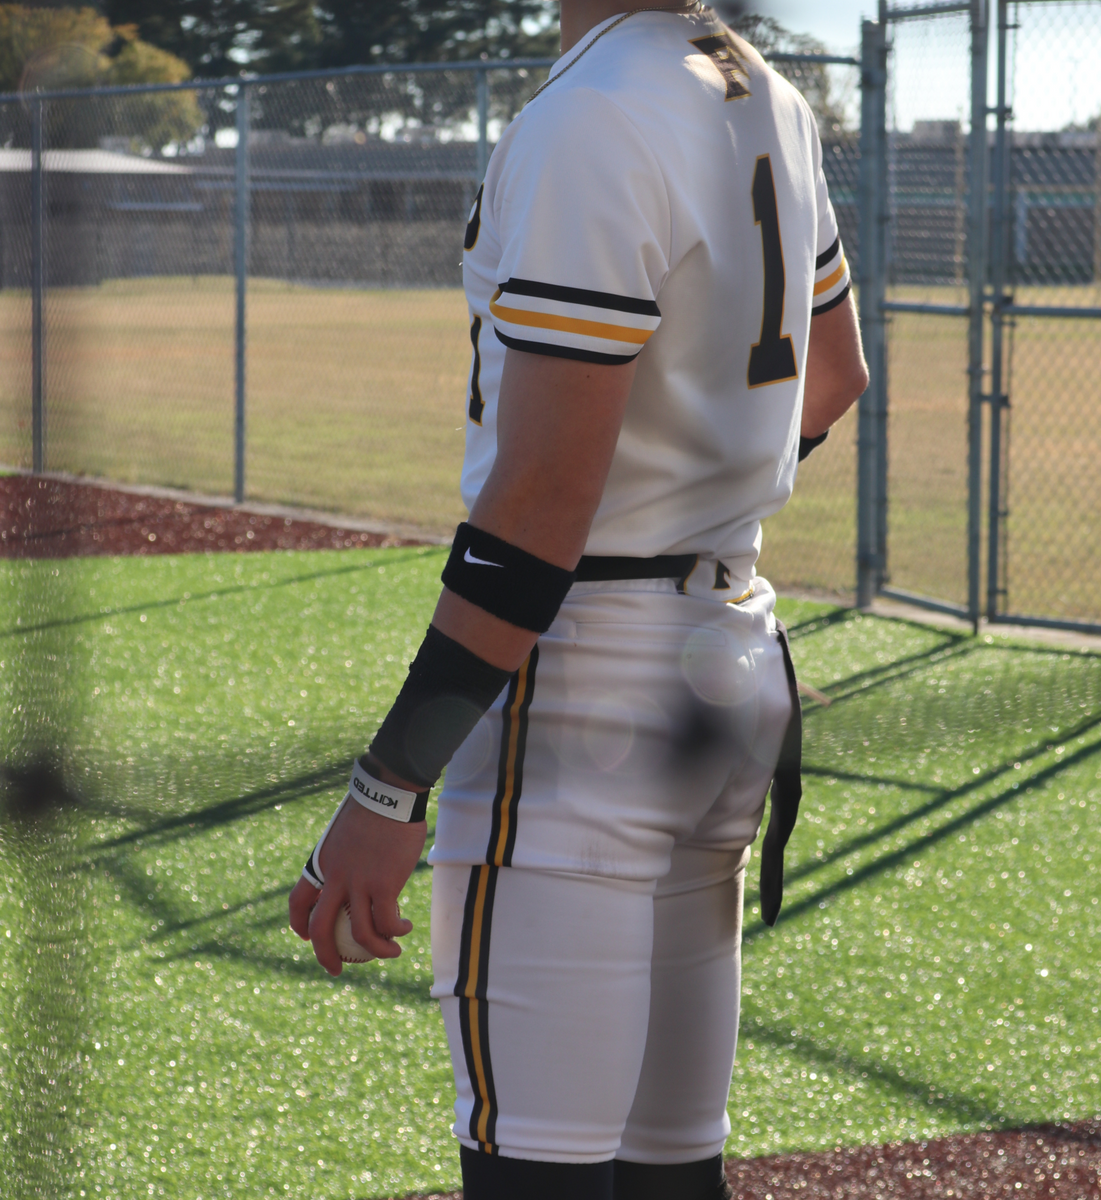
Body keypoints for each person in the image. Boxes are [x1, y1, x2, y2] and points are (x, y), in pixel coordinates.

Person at [289, 0, 868, 1195]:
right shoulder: (769, 92)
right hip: (730, 655)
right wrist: (698, 504)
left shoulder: (591, 113)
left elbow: (545, 501)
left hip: (587, 681)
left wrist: (389, 786)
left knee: (540, 1177)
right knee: (671, 1173)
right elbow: (835, 375)